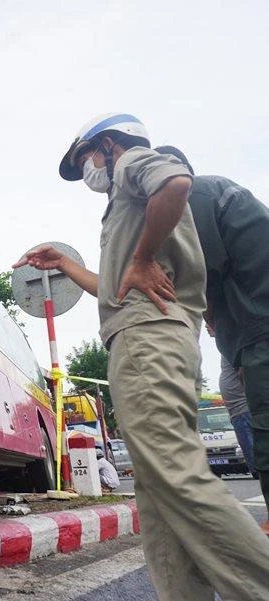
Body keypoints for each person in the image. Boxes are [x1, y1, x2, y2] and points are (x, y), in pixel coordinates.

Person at [14, 113, 269, 600]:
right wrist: (69, 265)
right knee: (157, 494)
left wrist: (143, 256)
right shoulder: (126, 204)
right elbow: (116, 289)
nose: (86, 170)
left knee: (175, 474)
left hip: (146, 340)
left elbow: (174, 182)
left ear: (108, 145)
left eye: (86, 157)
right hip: (146, 336)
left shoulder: (133, 161)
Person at [154, 144, 269, 532]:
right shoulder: (216, 192)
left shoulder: (195, 194)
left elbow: (199, 273)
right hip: (251, 329)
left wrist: (205, 311)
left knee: (264, 423)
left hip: (260, 327)